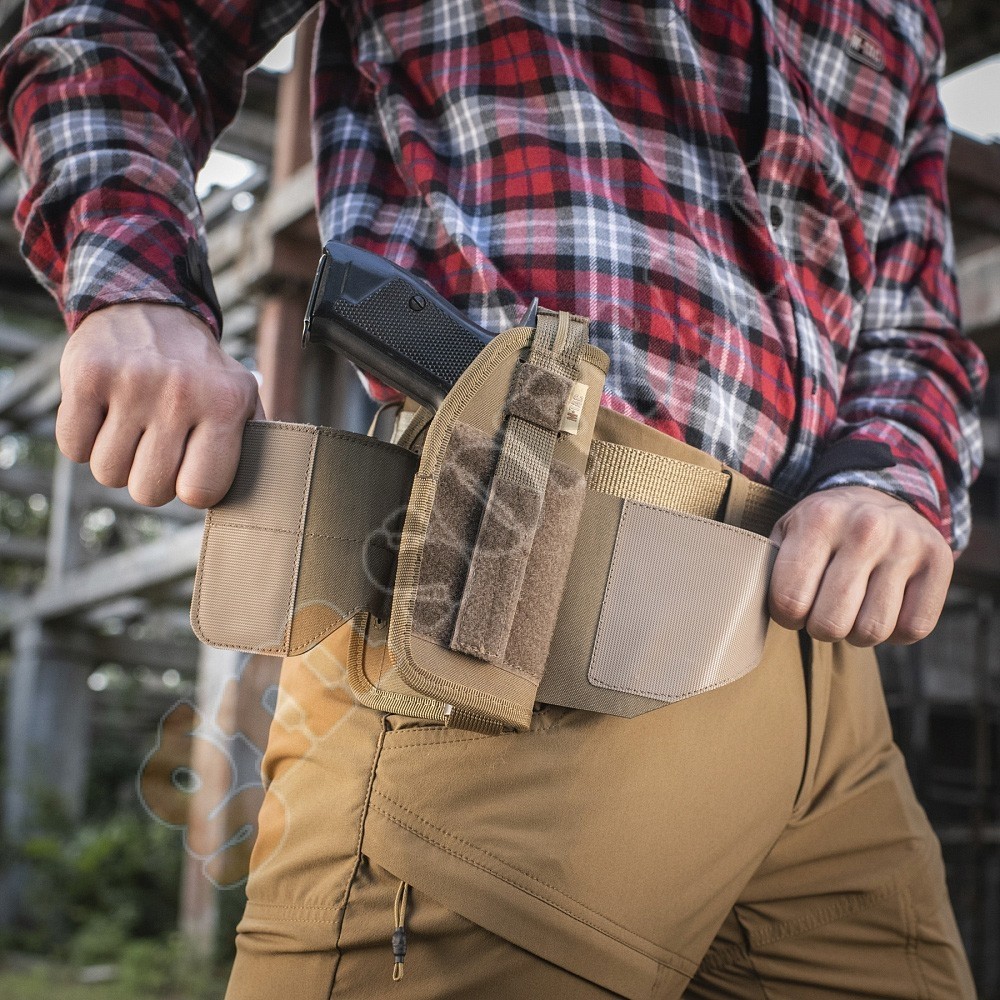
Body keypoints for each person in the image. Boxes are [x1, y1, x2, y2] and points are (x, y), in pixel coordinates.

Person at [0, 0, 986, 996]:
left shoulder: (903, 15)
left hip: (821, 669)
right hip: (516, 610)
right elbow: (116, 22)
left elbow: (912, 321)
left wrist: (895, 473)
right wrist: (138, 288)